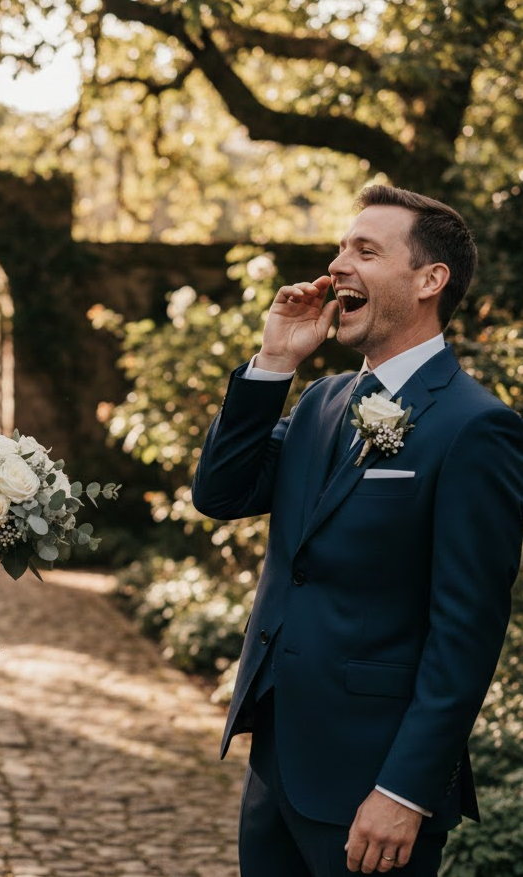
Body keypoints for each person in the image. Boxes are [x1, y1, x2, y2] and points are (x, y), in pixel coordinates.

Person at [192, 186, 523, 876]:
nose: (335, 266)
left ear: (429, 280)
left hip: (374, 782)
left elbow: (465, 629)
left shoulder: (474, 427)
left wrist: (404, 787)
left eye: (364, 250)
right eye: (340, 247)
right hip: (276, 765)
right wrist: (275, 361)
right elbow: (219, 494)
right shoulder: (320, 399)